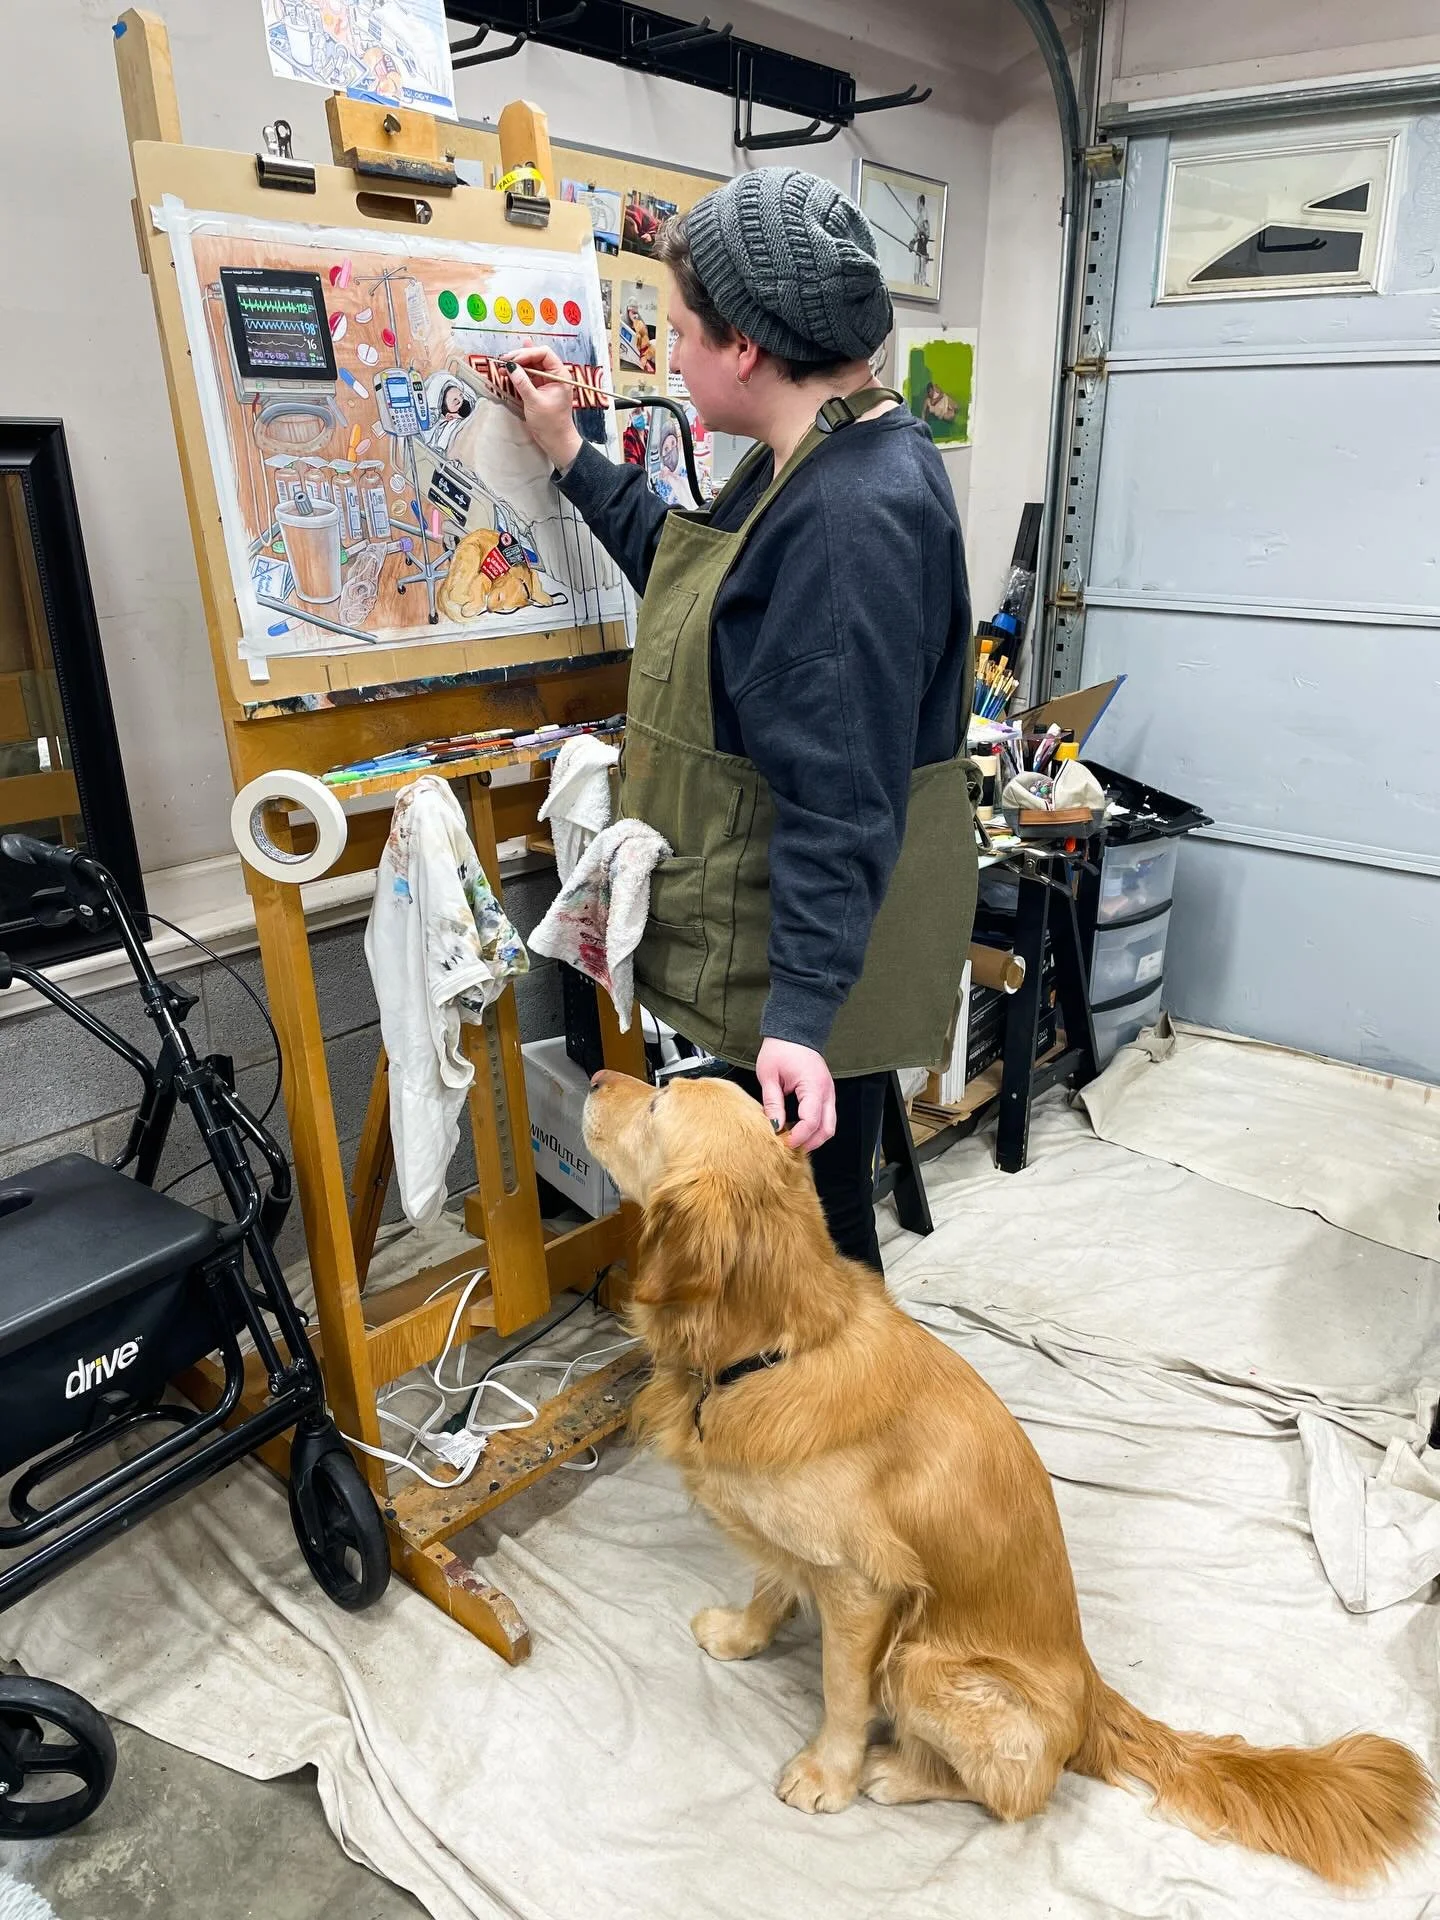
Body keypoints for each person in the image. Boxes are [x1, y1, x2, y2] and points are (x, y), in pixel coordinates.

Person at [508, 167, 976, 1272]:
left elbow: (841, 798)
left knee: (807, 1250)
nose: (671, 357)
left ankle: (825, 1388)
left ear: (747, 348)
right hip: (793, 930)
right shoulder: (826, 455)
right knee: (796, 1239)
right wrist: (569, 452)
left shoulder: (846, 517)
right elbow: (705, 583)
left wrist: (801, 1017)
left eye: (679, 332)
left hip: (802, 944)